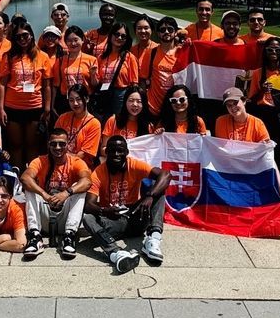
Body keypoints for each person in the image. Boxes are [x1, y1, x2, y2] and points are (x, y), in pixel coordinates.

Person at [83, 135, 171, 273]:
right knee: (87, 218)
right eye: (112, 151)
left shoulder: (134, 164)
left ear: (127, 152)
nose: (116, 154)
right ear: (106, 153)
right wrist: (105, 211)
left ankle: (153, 240)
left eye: (120, 151)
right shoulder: (98, 172)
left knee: (158, 191)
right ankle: (116, 253)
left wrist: (149, 196)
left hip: (136, 215)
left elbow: (165, 175)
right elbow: (88, 205)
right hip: (113, 220)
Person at [20, 128, 92, 260]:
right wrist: (44, 194)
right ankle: (35, 236)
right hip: (45, 211)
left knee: (79, 188)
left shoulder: (76, 162)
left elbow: (87, 182)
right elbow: (25, 178)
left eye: (62, 144)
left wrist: (66, 193)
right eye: (53, 144)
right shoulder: (39, 161)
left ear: (68, 145)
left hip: (65, 214)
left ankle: (69, 236)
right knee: (29, 186)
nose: (57, 147)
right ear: (48, 144)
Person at [247, 37, 280, 216]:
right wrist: (262, 89)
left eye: (277, 49)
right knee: (265, 161)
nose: (274, 53)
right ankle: (265, 198)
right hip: (264, 119)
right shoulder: (257, 73)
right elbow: (251, 100)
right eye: (270, 49)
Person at [0, 22, 51, 170]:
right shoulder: (8, 57)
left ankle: (32, 175)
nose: (22, 39)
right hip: (13, 106)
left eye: (25, 35)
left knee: (32, 145)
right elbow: (2, 84)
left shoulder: (42, 56)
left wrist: (47, 108)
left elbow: (47, 85)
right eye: (18, 37)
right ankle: (17, 174)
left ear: (31, 35)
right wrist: (1, 109)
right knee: (16, 145)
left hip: (34, 107)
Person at [95, 22, 139, 121]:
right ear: (111, 35)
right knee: (103, 120)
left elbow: (134, 83)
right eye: (117, 34)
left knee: (117, 121)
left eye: (123, 36)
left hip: (121, 95)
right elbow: (97, 80)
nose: (119, 38)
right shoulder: (102, 57)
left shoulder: (129, 57)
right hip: (104, 93)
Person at [53, 26, 98, 115]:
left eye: (76, 40)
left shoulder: (91, 60)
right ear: (65, 42)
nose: (73, 43)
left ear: (82, 40)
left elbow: (95, 85)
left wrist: (93, 75)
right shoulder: (60, 61)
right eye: (69, 40)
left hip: (85, 100)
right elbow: (56, 85)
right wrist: (52, 105)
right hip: (66, 101)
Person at [55, 84, 102, 167]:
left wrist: (63, 159)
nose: (75, 103)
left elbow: (83, 154)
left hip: (80, 165)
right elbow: (54, 142)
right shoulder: (62, 118)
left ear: (87, 99)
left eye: (78, 99)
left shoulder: (94, 124)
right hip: (59, 162)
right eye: (71, 100)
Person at [100, 85, 155, 156]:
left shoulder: (149, 126)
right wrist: (117, 154)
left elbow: (151, 152)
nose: (135, 104)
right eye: (131, 100)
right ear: (125, 102)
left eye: (139, 101)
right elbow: (103, 149)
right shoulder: (113, 121)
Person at [142, 17, 180, 116]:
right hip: (152, 106)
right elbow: (143, 79)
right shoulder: (151, 52)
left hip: (175, 107)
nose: (166, 32)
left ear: (175, 32)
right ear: (158, 33)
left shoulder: (181, 53)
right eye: (162, 30)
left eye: (170, 29)